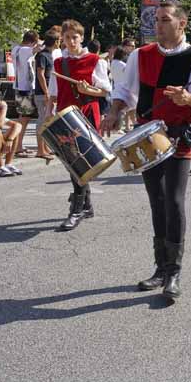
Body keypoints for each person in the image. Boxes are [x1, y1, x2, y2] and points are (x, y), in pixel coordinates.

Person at [103, 0, 191, 299]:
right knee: (156, 201)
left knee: (174, 201)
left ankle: (174, 273)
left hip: (180, 137)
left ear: (181, 24)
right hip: (147, 138)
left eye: (165, 20)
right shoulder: (141, 56)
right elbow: (125, 91)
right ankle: (160, 268)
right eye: (156, 20)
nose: (158, 25)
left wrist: (190, 100)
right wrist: (115, 111)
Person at [48, 20, 111, 231]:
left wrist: (88, 90)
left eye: (75, 37)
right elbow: (54, 94)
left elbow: (104, 91)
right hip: (65, 116)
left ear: (81, 38)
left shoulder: (95, 61)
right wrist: (49, 115)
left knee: (80, 162)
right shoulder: (58, 64)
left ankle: (77, 209)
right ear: (62, 40)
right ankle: (86, 205)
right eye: (67, 38)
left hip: (85, 114)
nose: (71, 41)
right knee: (71, 162)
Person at [13, 31, 39, 157]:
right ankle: (17, 147)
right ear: (32, 42)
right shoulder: (24, 50)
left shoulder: (16, 49)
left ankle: (19, 145)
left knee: (23, 118)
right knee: (23, 119)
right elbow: (38, 49)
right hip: (24, 87)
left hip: (20, 86)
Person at [34, 29, 57, 161]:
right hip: (42, 93)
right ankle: (40, 150)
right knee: (42, 120)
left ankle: (45, 147)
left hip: (48, 91)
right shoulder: (42, 55)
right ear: (55, 42)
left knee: (48, 120)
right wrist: (47, 92)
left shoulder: (49, 55)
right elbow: (40, 74)